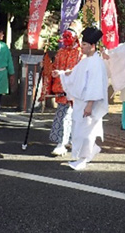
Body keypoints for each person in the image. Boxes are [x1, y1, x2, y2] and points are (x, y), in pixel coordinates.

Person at [53, 27, 108, 171]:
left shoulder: (97, 62)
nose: (81, 47)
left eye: (84, 45)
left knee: (86, 132)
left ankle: (84, 159)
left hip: (90, 102)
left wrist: (89, 105)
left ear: (92, 46)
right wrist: (61, 73)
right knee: (79, 130)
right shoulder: (86, 61)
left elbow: (95, 85)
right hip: (81, 102)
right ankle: (90, 151)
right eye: (82, 44)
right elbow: (75, 73)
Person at [43, 28, 83, 156]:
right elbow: (54, 68)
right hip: (61, 89)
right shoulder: (61, 52)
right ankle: (63, 141)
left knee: (72, 116)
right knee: (64, 115)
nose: (65, 41)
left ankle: (65, 141)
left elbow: (79, 72)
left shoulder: (80, 53)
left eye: (67, 38)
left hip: (75, 90)